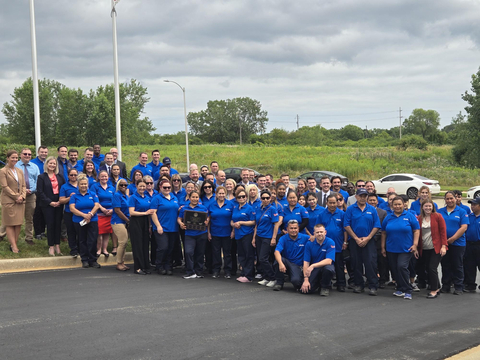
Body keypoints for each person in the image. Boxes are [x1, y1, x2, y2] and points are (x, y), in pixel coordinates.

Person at [381, 196, 420, 300]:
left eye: (399, 204)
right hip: (391, 248)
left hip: (406, 248)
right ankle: (400, 288)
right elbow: (384, 233)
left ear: (404, 205)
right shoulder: (388, 217)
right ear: (391, 206)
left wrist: (415, 244)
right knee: (394, 269)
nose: (397, 206)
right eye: (395, 204)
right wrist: (383, 247)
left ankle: (407, 289)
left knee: (402, 267)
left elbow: (416, 230)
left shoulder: (410, 216)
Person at [344, 188, 381, 295]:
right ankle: (359, 285)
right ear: (356, 197)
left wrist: (368, 238)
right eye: (360, 196)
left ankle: (373, 286)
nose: (362, 198)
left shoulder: (372, 209)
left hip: (369, 241)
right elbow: (346, 225)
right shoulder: (350, 209)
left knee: (370, 263)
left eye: (364, 196)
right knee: (356, 263)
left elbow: (377, 225)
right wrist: (356, 238)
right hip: (354, 241)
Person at [438, 191, 469, 295]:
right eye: (447, 199)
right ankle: (446, 285)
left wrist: (453, 238)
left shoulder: (461, 211)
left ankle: (458, 286)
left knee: (457, 265)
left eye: (451, 198)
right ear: (445, 200)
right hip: (443, 244)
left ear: (456, 199)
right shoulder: (440, 211)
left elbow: (464, 227)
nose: (449, 200)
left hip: (458, 243)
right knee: (445, 264)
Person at [416, 199, 447, 298]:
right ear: (422, 207)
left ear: (433, 207)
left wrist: (443, 246)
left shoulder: (438, 216)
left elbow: (443, 232)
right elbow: (416, 233)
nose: (428, 208)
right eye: (426, 206)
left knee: (432, 268)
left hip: (436, 247)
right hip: (424, 248)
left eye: (430, 206)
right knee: (428, 268)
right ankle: (437, 286)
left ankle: (434, 290)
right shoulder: (419, 218)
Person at [316, 194, 347, 292]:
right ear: (326, 203)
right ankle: (326, 284)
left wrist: (345, 242)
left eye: (334, 202)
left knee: (339, 265)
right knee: (326, 266)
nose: (333, 205)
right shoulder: (321, 214)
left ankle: (341, 283)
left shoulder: (342, 214)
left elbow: (345, 229)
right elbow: (318, 228)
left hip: (338, 244)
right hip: (325, 244)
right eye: (330, 203)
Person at [69, 174, 101, 268]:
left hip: (92, 220)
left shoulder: (92, 194)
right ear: (78, 185)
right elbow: (72, 208)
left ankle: (93, 260)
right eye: (82, 184)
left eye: (85, 184)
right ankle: (84, 260)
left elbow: (97, 205)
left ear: (88, 184)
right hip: (79, 221)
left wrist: (90, 214)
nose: (84, 186)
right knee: (82, 240)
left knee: (92, 240)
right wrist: (84, 215)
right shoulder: (74, 196)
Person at [37, 156, 66, 256]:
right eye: (50, 163)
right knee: (50, 225)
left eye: (54, 164)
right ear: (47, 164)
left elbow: (63, 189)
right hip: (47, 205)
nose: (52, 165)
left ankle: (57, 245)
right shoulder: (41, 177)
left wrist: (60, 201)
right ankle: (51, 246)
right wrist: (50, 202)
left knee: (58, 224)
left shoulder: (60, 177)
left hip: (59, 203)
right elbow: (40, 192)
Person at [150, 179, 180, 275]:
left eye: (169, 187)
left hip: (173, 227)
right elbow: (153, 213)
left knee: (171, 248)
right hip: (161, 227)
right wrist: (158, 226)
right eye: (165, 187)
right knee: (163, 247)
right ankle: (159, 265)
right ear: (160, 187)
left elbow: (176, 209)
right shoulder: (156, 198)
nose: (167, 189)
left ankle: (168, 265)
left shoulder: (174, 198)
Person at [178, 190, 209, 279]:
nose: (195, 199)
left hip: (201, 233)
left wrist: (207, 222)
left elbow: (207, 218)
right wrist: (181, 224)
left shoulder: (203, 208)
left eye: (196, 197)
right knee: (188, 252)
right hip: (189, 233)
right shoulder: (184, 208)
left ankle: (199, 271)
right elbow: (179, 218)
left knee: (200, 253)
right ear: (189, 198)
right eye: (193, 197)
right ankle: (190, 271)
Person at [0, 150, 26, 253]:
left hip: (20, 201)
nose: (15, 159)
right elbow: (5, 187)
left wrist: (22, 197)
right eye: (13, 157)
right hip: (9, 201)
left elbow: (24, 185)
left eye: (16, 158)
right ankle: (14, 246)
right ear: (8, 158)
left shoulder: (19, 171)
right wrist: (16, 197)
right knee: (10, 224)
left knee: (18, 223)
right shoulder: (3, 171)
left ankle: (14, 243)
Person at [272, 220, 310, 291]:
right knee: (278, 260)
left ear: (298, 228)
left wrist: (313, 237)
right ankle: (279, 282)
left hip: (299, 266)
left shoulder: (305, 238)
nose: (293, 230)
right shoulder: (283, 238)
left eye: (295, 228)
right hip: (288, 264)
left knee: (296, 282)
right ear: (287, 229)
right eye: (291, 228)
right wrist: (280, 263)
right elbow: (277, 252)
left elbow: (315, 240)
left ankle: (296, 278)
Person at [253, 189, 280, 287]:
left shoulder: (272, 209)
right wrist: (254, 238)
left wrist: (273, 238)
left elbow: (276, 225)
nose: (265, 200)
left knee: (263, 258)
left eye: (267, 198)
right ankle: (266, 277)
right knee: (261, 259)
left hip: (267, 237)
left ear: (270, 198)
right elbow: (256, 224)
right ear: (260, 199)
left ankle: (273, 277)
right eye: (263, 198)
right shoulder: (258, 209)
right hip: (259, 236)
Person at [300, 224, 336, 296]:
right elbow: (306, 262)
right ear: (314, 233)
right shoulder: (309, 244)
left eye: (321, 232)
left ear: (325, 232)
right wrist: (306, 280)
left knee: (328, 269)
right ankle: (319, 283)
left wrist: (313, 265)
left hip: (325, 267)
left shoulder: (330, 242)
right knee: (307, 290)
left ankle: (325, 287)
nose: (319, 234)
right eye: (317, 232)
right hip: (314, 269)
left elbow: (329, 261)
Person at [128, 179, 154, 275]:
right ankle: (138, 267)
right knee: (138, 245)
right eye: (140, 186)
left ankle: (145, 266)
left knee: (145, 244)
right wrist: (145, 213)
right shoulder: (133, 197)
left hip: (145, 222)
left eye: (144, 186)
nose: (142, 188)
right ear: (136, 186)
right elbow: (131, 212)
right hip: (136, 222)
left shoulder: (147, 196)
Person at [14, 148, 40, 245]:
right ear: (21, 155)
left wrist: (32, 190)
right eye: (25, 154)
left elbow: (38, 181)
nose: (27, 156)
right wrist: (22, 192)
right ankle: (2, 234)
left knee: (29, 217)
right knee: (14, 216)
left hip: (31, 195)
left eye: (29, 154)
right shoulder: (15, 165)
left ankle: (29, 238)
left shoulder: (35, 167)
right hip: (17, 195)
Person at [208, 186, 234, 278]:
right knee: (216, 253)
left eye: (223, 193)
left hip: (227, 233)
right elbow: (209, 220)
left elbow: (234, 219)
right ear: (216, 194)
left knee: (227, 253)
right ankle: (216, 270)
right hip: (215, 233)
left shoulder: (230, 205)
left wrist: (233, 231)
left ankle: (227, 271)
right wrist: (208, 233)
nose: (221, 195)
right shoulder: (212, 205)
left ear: (225, 194)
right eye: (220, 193)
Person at [231, 188, 256, 283]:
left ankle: (249, 275)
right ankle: (243, 273)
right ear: (236, 198)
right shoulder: (235, 208)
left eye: (243, 196)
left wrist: (241, 222)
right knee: (241, 255)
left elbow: (253, 222)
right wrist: (234, 225)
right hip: (238, 234)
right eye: (239, 197)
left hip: (247, 234)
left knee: (248, 255)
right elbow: (232, 221)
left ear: (246, 197)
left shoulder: (249, 208)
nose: (241, 198)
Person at [90, 170, 115, 257]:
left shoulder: (112, 188)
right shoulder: (95, 186)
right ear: (99, 177)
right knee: (99, 233)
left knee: (107, 233)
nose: (104, 178)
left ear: (108, 177)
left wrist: (112, 209)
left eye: (105, 176)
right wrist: (102, 208)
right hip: (99, 213)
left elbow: (115, 200)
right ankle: (98, 249)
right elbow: (94, 199)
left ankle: (105, 249)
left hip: (109, 213)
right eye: (102, 176)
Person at [367, 193, 389, 288]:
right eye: (370, 200)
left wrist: (376, 235)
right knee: (370, 261)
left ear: (377, 201)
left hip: (380, 239)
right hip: (368, 240)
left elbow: (384, 227)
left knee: (381, 261)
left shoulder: (383, 212)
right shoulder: (365, 211)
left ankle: (382, 280)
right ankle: (370, 279)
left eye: (374, 200)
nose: (372, 202)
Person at [59, 168, 80, 257]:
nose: (73, 176)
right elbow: (61, 200)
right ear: (68, 176)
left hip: (80, 213)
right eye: (71, 175)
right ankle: (73, 249)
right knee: (71, 231)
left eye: (75, 175)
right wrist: (70, 198)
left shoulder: (81, 185)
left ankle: (80, 248)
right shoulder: (64, 186)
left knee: (80, 231)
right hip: (69, 212)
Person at [111, 179, 130, 271]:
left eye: (125, 185)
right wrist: (127, 220)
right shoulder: (116, 195)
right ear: (118, 186)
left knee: (125, 243)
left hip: (124, 221)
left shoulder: (126, 196)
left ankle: (122, 262)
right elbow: (117, 211)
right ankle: (119, 263)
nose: (123, 187)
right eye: (121, 185)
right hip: (117, 221)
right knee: (122, 241)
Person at [31, 146, 48, 240]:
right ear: (38, 152)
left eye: (45, 152)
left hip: (47, 191)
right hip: (37, 191)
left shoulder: (47, 162)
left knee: (44, 212)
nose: (44, 154)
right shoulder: (33, 163)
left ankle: (42, 231)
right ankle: (37, 232)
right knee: (37, 212)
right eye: (42, 152)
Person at [464, 198, 480, 292]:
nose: (472, 206)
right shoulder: (469, 216)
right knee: (470, 265)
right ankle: (470, 285)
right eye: (472, 205)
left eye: (475, 205)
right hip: (469, 244)